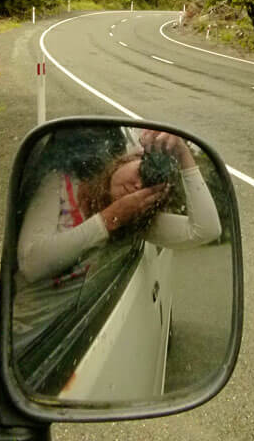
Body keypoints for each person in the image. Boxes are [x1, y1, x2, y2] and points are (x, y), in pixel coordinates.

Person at [12, 127, 221, 389]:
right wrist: (109, 218)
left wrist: (183, 156)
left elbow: (206, 230)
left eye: (149, 187)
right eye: (141, 172)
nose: (137, 186)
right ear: (125, 160)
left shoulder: (135, 225)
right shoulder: (61, 185)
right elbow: (31, 263)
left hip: (54, 349)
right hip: (21, 336)